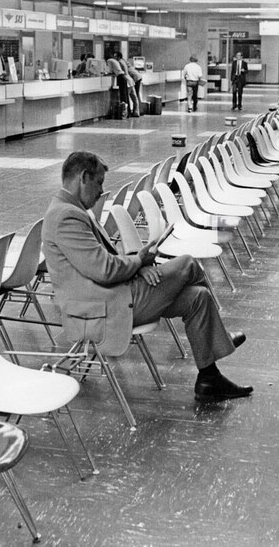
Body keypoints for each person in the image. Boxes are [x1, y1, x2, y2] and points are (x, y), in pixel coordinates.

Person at [42, 151, 253, 402]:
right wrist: (140, 261)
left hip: (112, 296)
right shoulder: (66, 216)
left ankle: (209, 379)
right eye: (99, 183)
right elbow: (104, 270)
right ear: (83, 178)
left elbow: (100, 263)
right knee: (186, 264)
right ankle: (220, 336)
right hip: (101, 309)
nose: (101, 191)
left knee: (198, 297)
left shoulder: (72, 210)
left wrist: (137, 266)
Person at [117, 52, 140, 117]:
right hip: (131, 81)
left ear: (118, 57)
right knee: (134, 98)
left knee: (127, 98)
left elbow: (120, 72)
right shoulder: (124, 61)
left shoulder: (120, 62)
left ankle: (128, 113)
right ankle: (136, 112)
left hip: (127, 81)